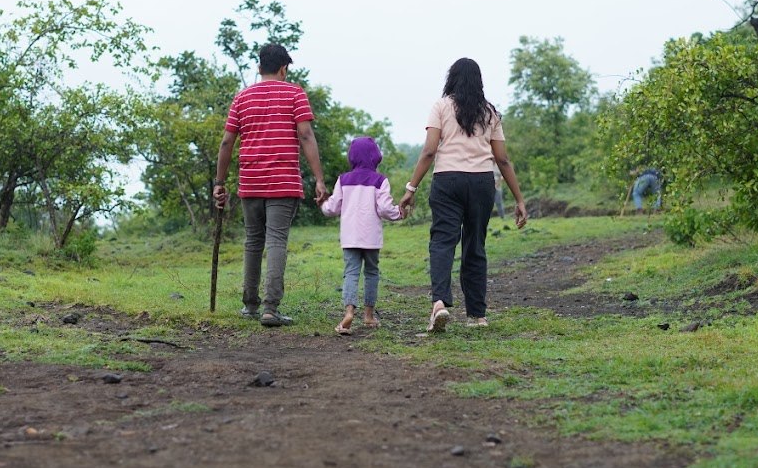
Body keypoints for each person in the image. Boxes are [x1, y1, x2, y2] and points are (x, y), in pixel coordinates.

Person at [398, 58, 528, 332]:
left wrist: (411, 189)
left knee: (443, 241)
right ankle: (477, 315)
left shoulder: (441, 106)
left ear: (452, 79)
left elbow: (430, 151)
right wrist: (519, 199)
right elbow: (503, 160)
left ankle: (439, 304)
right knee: (475, 245)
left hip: (448, 180)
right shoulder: (490, 112)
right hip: (481, 183)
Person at [213, 43, 327, 327]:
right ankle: (270, 308)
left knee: (253, 241)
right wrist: (320, 179)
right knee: (276, 241)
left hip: (250, 182)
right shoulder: (294, 94)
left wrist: (219, 182)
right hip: (283, 183)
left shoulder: (242, 98)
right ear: (283, 68)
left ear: (258, 67)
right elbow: (306, 136)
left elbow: (227, 141)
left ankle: (250, 305)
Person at [320, 136, 403, 336]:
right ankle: (368, 315)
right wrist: (399, 212)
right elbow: (384, 208)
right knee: (372, 273)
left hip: (350, 236)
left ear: (352, 157)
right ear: (376, 157)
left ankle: (349, 312)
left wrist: (322, 205)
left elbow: (333, 208)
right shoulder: (380, 181)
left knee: (351, 273)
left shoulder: (343, 179)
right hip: (371, 237)